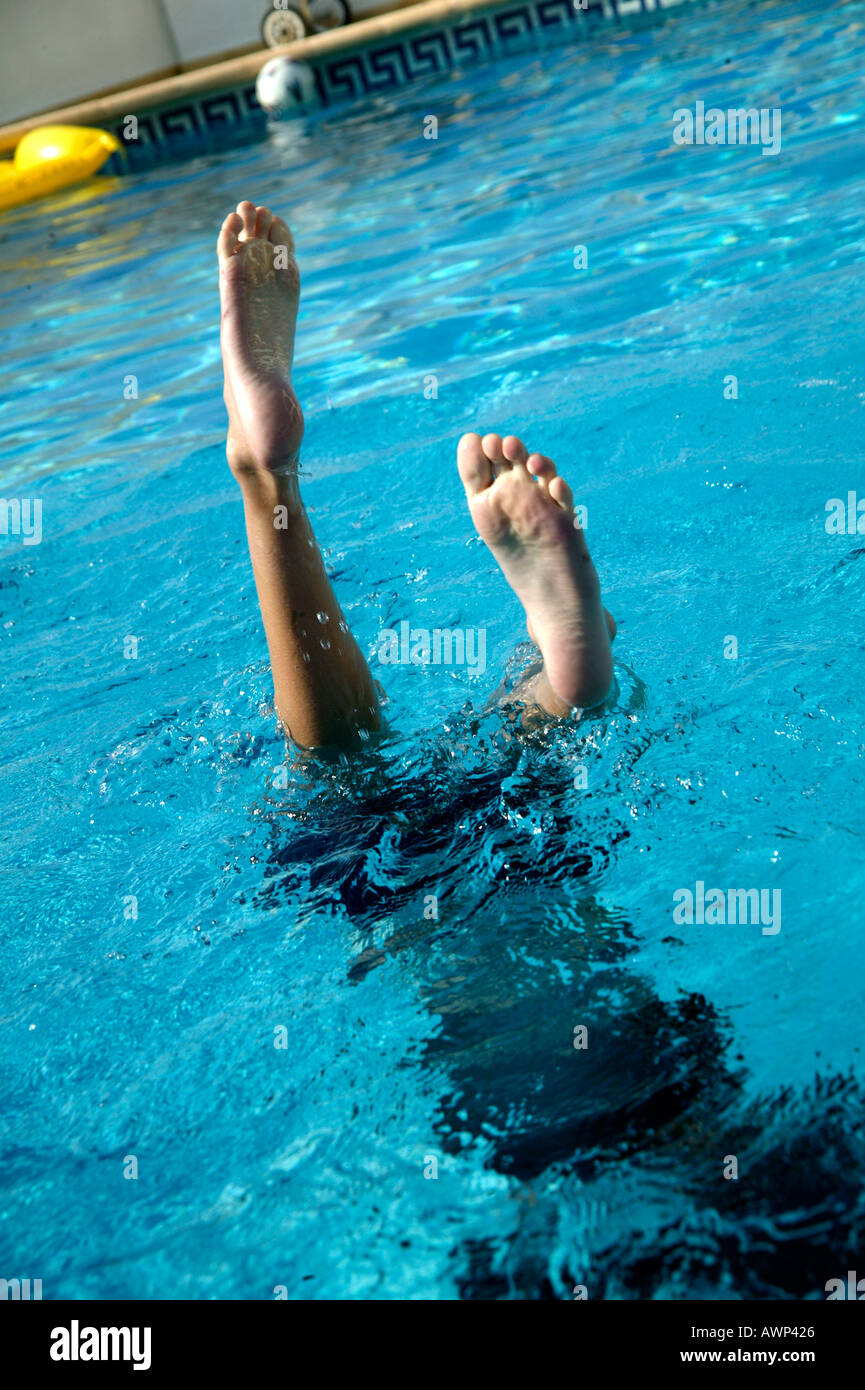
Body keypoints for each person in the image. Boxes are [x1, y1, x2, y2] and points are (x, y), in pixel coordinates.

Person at [218, 201, 616, 749]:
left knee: (338, 771)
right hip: (524, 820)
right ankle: (562, 682)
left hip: (338, 839)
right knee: (509, 744)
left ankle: (265, 478)